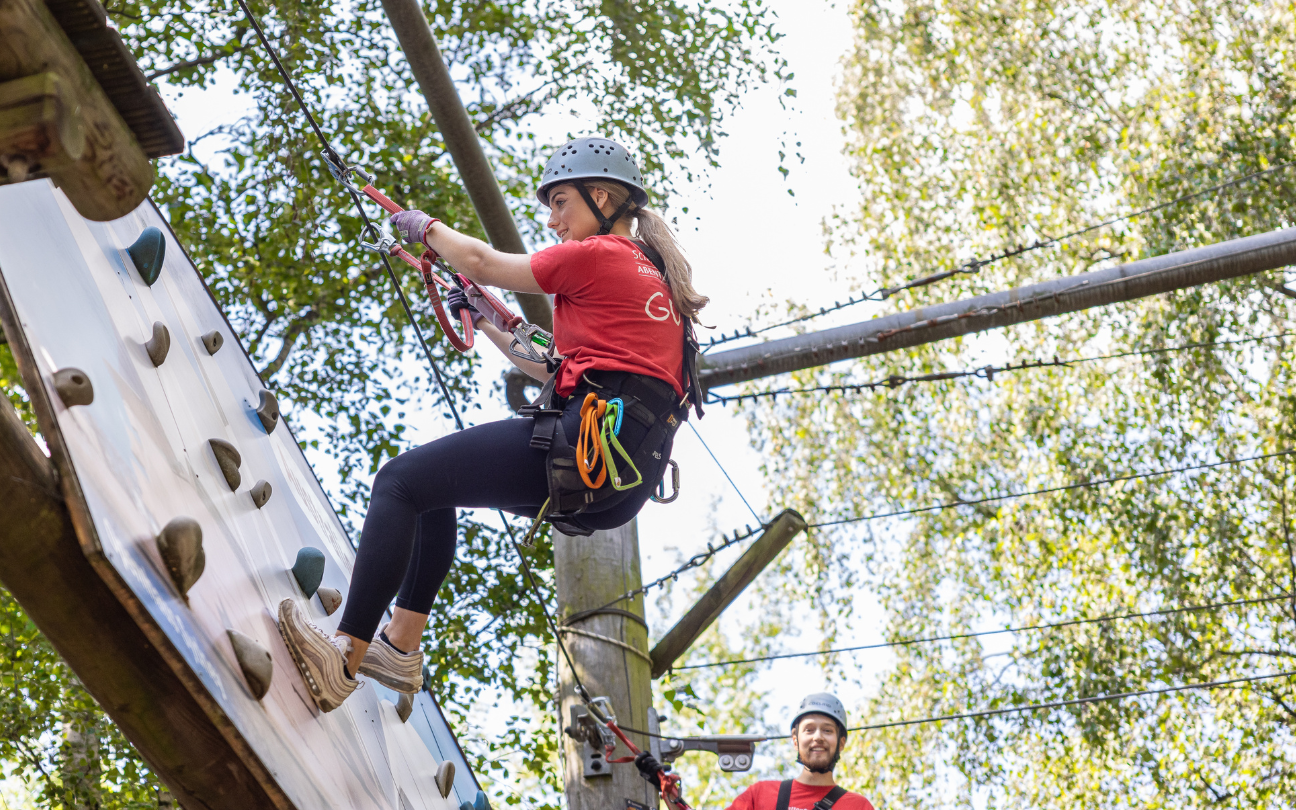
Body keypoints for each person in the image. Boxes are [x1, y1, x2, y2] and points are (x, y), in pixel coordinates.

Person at [275, 136, 708, 711]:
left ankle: (344, 654)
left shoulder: (598, 254)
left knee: (398, 484)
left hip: (583, 450)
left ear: (601, 195)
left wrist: (423, 226)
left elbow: (483, 262)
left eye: (561, 203)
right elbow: (547, 367)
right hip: (616, 482)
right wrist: (486, 318)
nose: (552, 220)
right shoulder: (655, 282)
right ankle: (400, 647)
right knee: (432, 494)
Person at [711, 694, 875, 810]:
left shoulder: (858, 806)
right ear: (796, 741)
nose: (817, 737)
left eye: (827, 730)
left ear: (841, 744)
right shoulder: (760, 795)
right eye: (809, 730)